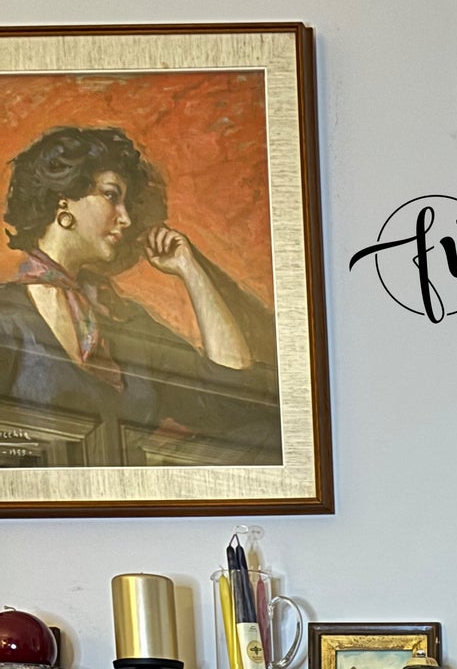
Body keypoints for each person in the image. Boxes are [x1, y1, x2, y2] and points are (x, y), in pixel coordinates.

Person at [0, 125, 280, 466]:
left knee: (268, 433)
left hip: (129, 506)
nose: (127, 218)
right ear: (65, 199)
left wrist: (191, 270)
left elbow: (233, 398)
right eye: (111, 195)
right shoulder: (6, 317)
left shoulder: (120, 317)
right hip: (45, 511)